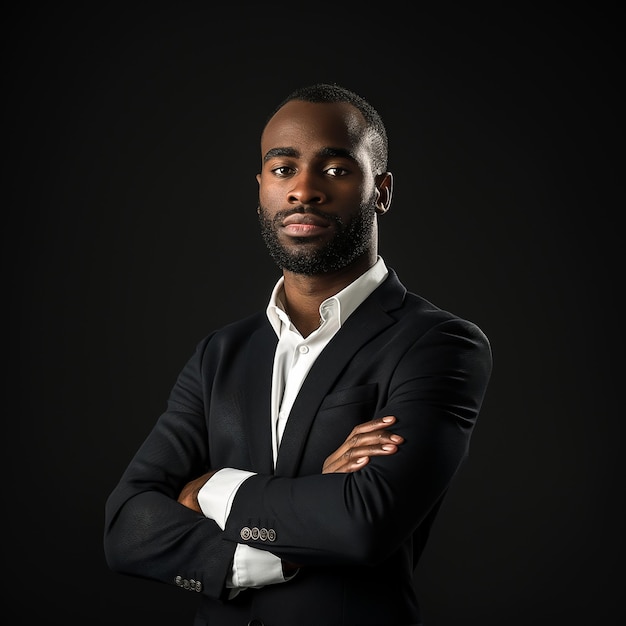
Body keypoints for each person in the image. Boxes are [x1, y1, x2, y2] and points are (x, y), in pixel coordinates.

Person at [104, 82, 493, 626]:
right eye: (283, 169)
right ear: (260, 187)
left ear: (380, 189)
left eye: (335, 169)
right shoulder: (221, 353)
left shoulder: (438, 345)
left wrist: (210, 487)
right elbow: (127, 526)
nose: (303, 190)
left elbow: (362, 525)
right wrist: (278, 542)